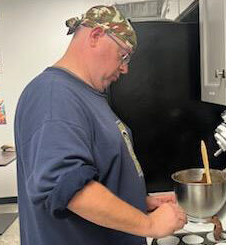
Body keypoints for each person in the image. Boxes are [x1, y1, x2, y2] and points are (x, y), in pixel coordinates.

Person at [14, 5, 186, 245]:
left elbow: (100, 173)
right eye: (123, 55)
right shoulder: (53, 95)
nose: (125, 68)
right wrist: (150, 225)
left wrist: (138, 203)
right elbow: (66, 187)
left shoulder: (86, 95)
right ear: (95, 36)